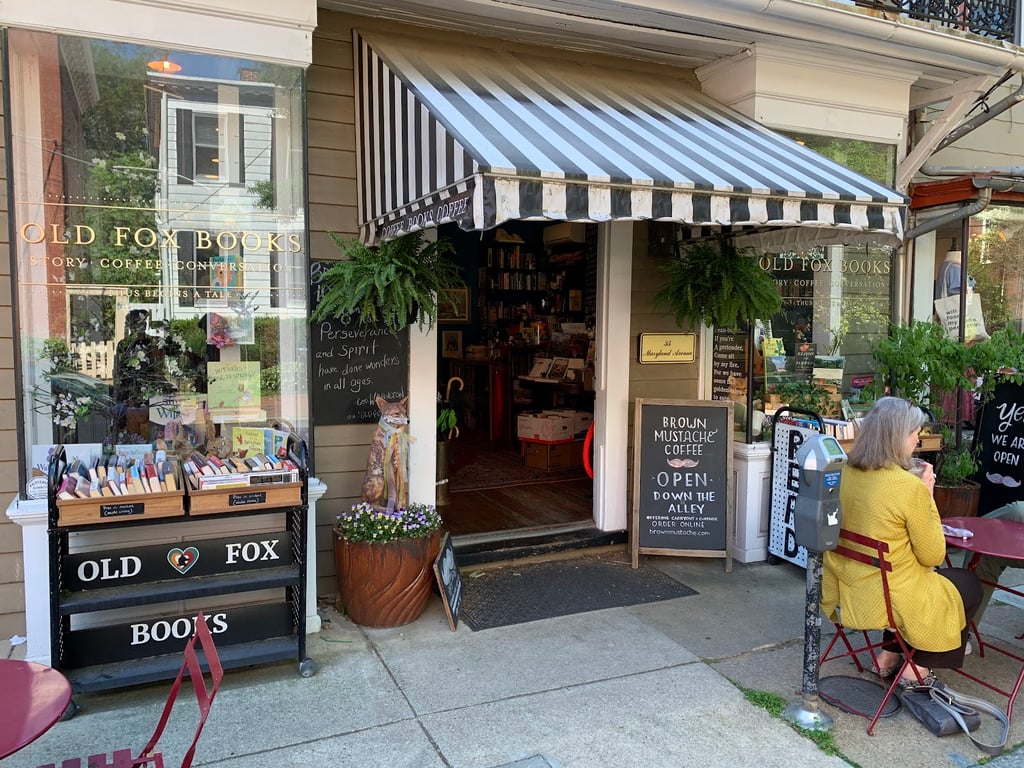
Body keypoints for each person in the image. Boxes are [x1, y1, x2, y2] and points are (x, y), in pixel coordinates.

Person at [821, 397, 982, 688]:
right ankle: (917, 667)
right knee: (967, 585)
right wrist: (928, 494)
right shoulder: (908, 487)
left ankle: (888, 655)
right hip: (886, 596)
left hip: (847, 586)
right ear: (897, 437)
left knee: (900, 575)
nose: (918, 438)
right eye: (915, 432)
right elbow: (933, 554)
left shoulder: (844, 472)